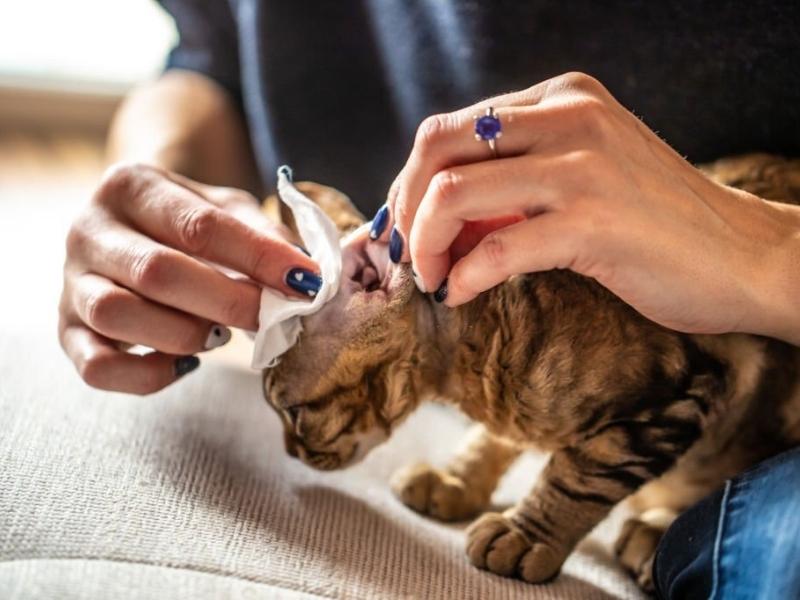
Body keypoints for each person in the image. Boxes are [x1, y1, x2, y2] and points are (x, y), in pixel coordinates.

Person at [58, 2, 800, 597]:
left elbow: (655, 388)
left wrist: (760, 253)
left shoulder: (544, 349)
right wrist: (153, 191)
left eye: (296, 411)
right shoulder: (491, 343)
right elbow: (206, 60)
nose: (295, 440)